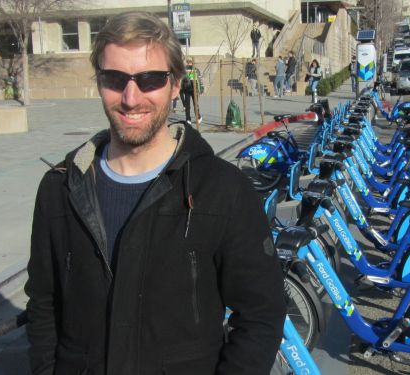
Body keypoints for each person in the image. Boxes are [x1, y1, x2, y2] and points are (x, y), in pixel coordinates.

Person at [24, 11, 285, 375]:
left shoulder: (222, 189)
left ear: (175, 84)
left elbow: (261, 315)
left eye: (150, 80)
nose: (131, 98)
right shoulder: (60, 189)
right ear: (99, 82)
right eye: (115, 79)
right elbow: (43, 305)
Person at [180, 57, 202, 124]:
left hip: (190, 89)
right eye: (188, 61)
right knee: (192, 105)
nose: (189, 62)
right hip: (190, 89)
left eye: (190, 61)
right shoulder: (188, 69)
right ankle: (193, 118)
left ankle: (192, 118)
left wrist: (200, 89)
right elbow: (200, 80)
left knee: (192, 105)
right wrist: (201, 89)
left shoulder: (194, 69)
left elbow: (199, 80)